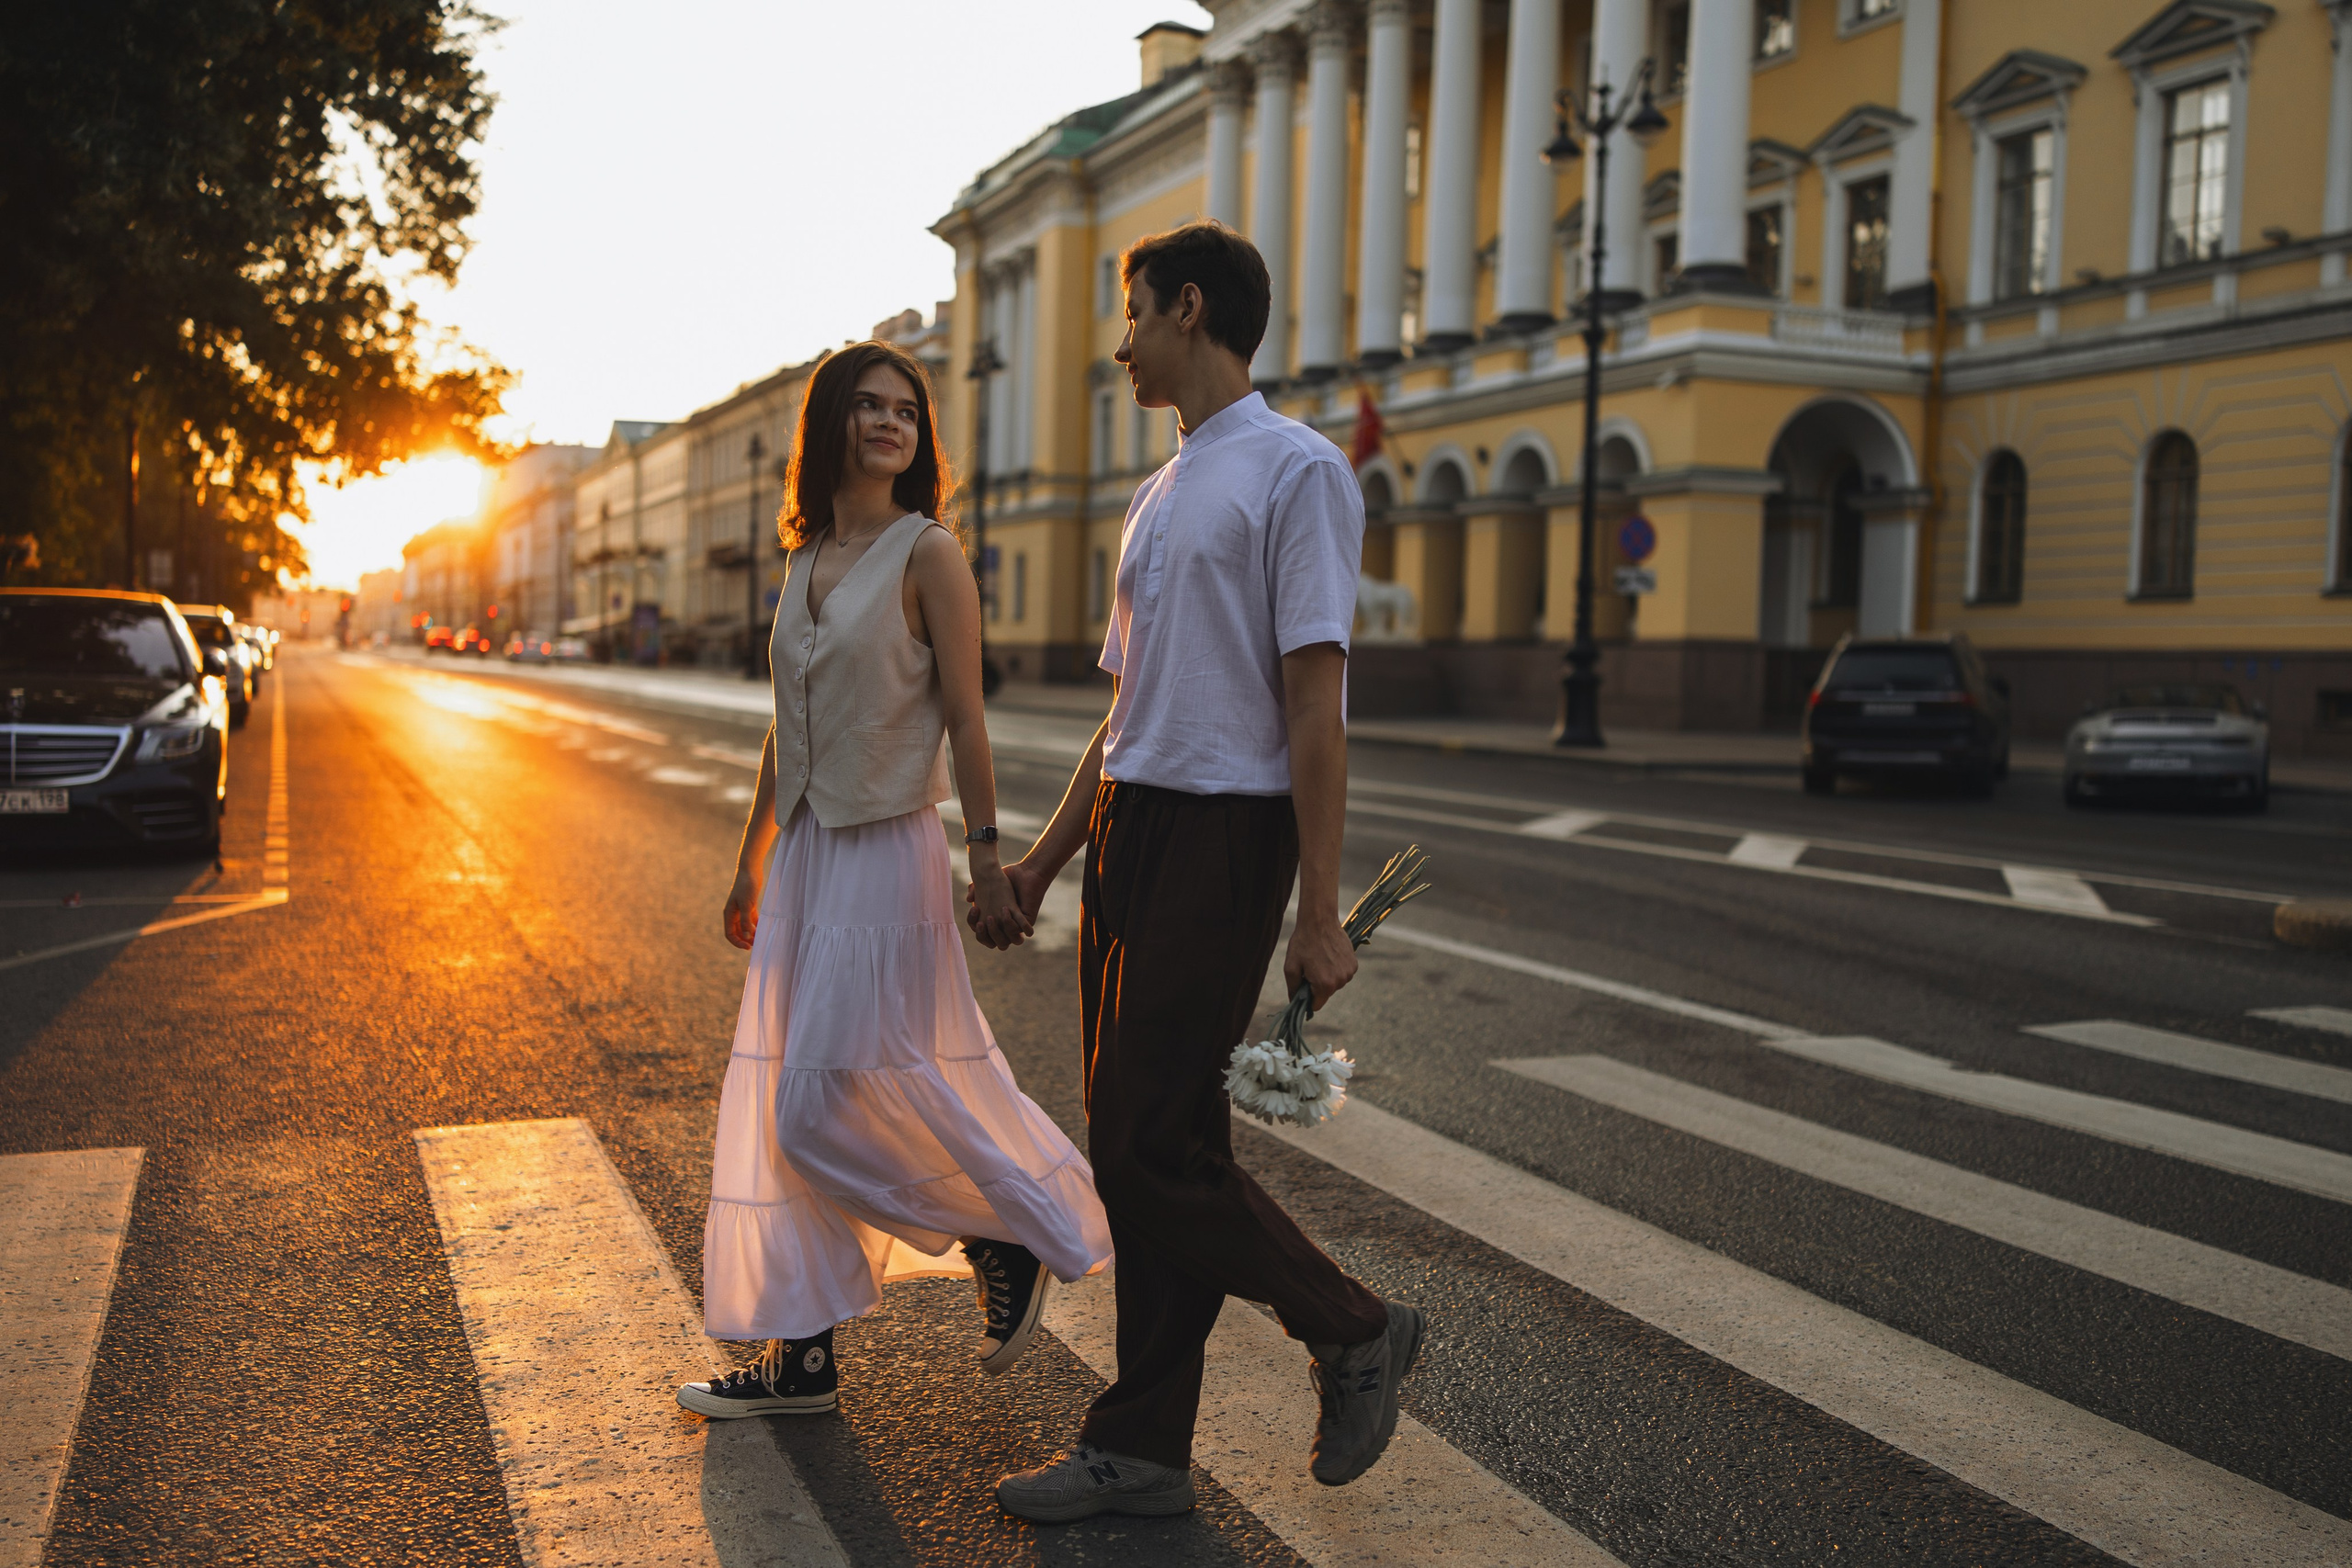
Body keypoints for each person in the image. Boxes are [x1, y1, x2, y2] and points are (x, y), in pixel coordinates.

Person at [990, 221, 1423, 1525]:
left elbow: (1316, 702)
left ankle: (1352, 1324)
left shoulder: (1299, 471)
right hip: (1136, 826)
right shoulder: (1162, 487)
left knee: (1142, 1140)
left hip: (1230, 834)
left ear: (1188, 308)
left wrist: (1318, 902)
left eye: (1131, 316)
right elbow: (1122, 717)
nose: (1117, 345)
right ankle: (1144, 1448)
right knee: (1154, 1145)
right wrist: (1042, 861)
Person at [677, 340, 1113, 1422]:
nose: (889, 425)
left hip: (890, 853)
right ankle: (802, 1360)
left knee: (820, 1100)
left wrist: (987, 852)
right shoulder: (804, 556)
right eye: (868, 407)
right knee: (794, 1091)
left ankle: (1000, 1232)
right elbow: (790, 724)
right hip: (811, 854)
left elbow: (967, 718)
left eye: (906, 412)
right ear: (828, 426)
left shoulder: (930, 555)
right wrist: (752, 857)